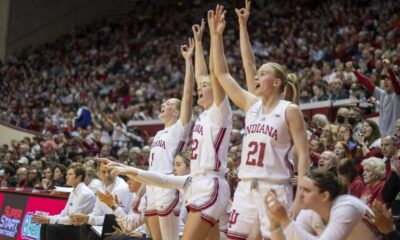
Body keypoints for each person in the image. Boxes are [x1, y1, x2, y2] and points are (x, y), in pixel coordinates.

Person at [211, 3, 309, 239]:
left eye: (263, 74)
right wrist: (217, 36)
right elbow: (223, 74)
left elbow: (303, 155)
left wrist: (300, 196)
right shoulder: (251, 106)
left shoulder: (290, 110)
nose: (256, 76)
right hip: (246, 187)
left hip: (275, 187)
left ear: (277, 83)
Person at [138, 37, 194, 240]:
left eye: (169, 103)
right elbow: (152, 167)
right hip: (152, 187)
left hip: (167, 186)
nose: (164, 103)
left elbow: (188, 95)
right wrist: (139, 194)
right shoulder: (159, 134)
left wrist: (188, 61)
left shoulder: (180, 128)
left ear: (178, 111)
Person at [265, 168, 379, 240]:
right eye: (300, 189)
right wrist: (275, 224)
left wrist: (285, 220)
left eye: (306, 190)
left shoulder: (347, 206)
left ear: (325, 196)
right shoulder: (309, 211)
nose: (300, 195)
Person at [69, 162, 133, 240]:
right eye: (103, 172)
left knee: (93, 233)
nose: (107, 175)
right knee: (85, 227)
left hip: (122, 224)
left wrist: (87, 218)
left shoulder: (121, 188)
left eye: (110, 171)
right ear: (99, 173)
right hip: (109, 221)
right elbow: (97, 212)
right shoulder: (101, 187)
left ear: (116, 172)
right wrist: (86, 218)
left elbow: (113, 219)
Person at [33, 163, 96, 240]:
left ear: (79, 177)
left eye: (70, 174)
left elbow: (73, 220)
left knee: (52, 228)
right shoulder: (74, 191)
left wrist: (49, 219)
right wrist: (47, 218)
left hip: (83, 229)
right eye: (67, 174)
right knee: (45, 225)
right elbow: (64, 213)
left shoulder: (85, 194)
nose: (66, 177)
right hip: (72, 225)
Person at [347, 60, 400, 135]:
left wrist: (389, 70)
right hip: (383, 136)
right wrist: (354, 70)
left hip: (395, 137)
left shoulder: (397, 95)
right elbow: (368, 83)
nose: (385, 82)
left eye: (388, 80)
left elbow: (396, 84)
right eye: (384, 80)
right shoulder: (382, 94)